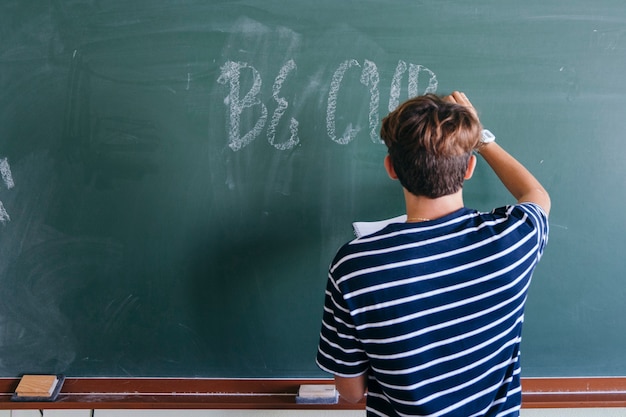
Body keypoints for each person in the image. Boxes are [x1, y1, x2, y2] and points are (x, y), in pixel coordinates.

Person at [316, 91, 550, 416]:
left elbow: (351, 391)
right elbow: (535, 194)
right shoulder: (512, 239)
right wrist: (481, 140)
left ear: (391, 168)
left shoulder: (354, 267)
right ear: (469, 168)